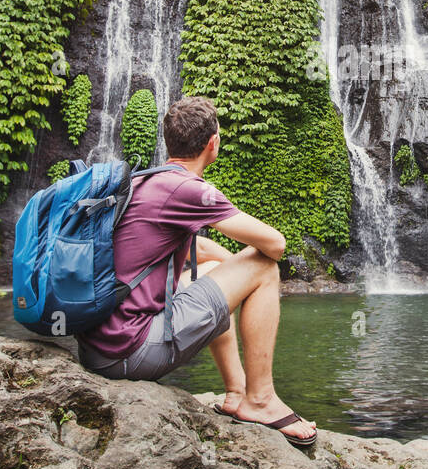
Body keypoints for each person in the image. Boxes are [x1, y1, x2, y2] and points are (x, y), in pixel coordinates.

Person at [76, 95, 317, 448]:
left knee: (211, 269)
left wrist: (228, 270)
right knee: (264, 267)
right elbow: (275, 244)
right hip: (131, 353)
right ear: (212, 143)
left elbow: (198, 250)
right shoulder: (187, 189)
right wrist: (244, 271)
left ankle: (236, 393)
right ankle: (261, 399)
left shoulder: (145, 180)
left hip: (100, 349)